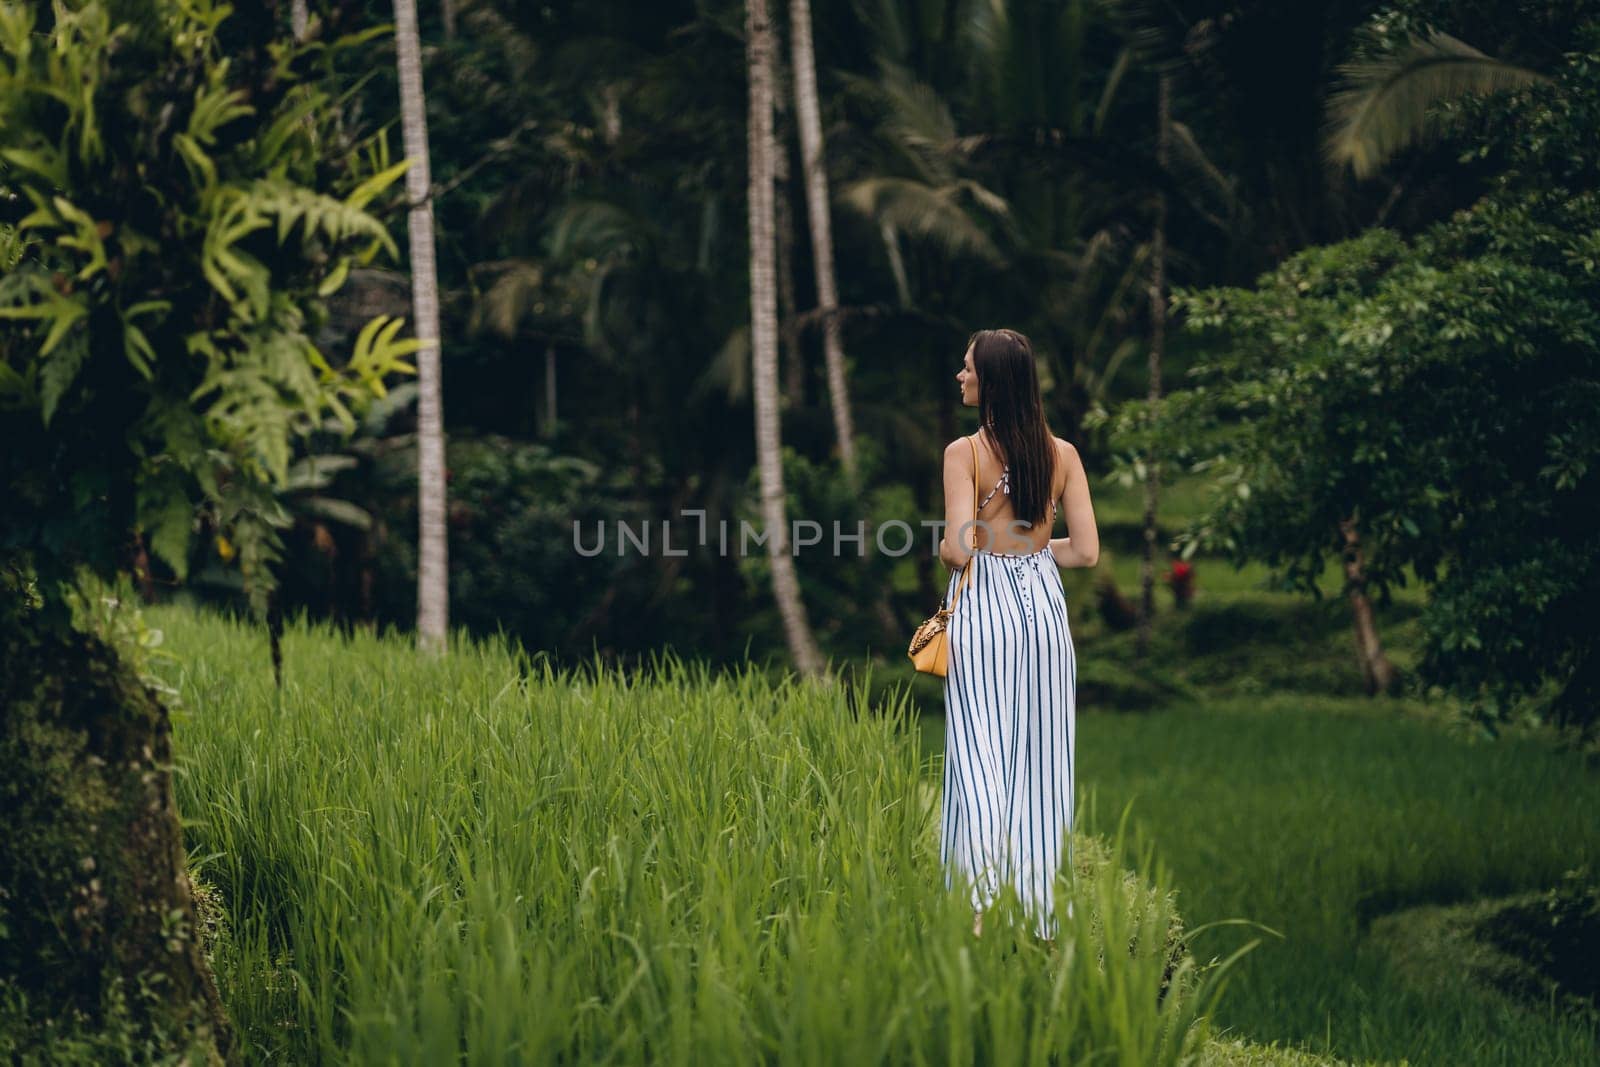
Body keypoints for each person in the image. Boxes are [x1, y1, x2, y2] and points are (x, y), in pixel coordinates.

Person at [937, 327, 1100, 941]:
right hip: (1045, 609)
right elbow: (1084, 552)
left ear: (992, 381)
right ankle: (1036, 914)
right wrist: (1030, 549)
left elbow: (958, 549)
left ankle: (976, 913)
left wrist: (983, 543)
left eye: (968, 368)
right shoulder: (1064, 454)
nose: (960, 376)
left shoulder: (965, 453)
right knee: (1041, 755)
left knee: (980, 755)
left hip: (986, 607)